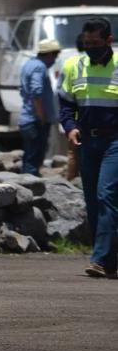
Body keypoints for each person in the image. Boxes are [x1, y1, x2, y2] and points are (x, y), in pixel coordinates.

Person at [58, 17, 118, 279]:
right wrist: (70, 127)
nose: (90, 47)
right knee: (93, 200)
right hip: (86, 141)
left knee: (106, 195)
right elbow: (66, 104)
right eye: (86, 43)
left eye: (95, 43)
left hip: (115, 141)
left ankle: (100, 259)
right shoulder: (73, 65)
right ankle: (109, 258)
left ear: (109, 40)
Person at [19, 39, 61, 176]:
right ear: (49, 54)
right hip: (35, 120)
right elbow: (36, 93)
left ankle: (25, 183)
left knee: (30, 154)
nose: (55, 59)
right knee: (35, 156)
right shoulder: (39, 67)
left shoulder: (29, 64)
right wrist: (42, 116)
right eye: (55, 55)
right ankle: (30, 187)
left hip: (28, 118)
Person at [65, 34, 84, 181]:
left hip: (75, 123)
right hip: (100, 122)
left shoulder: (70, 63)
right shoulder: (108, 63)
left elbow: (63, 95)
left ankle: (71, 185)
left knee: (74, 155)